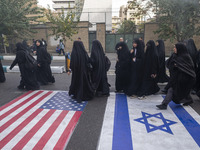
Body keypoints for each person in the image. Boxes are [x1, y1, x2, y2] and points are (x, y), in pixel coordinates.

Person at [156, 43, 196, 109]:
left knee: (172, 90)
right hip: (177, 78)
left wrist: (177, 66)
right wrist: (174, 65)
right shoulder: (175, 55)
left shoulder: (186, 57)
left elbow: (188, 69)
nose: (174, 49)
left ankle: (164, 104)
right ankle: (189, 100)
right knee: (180, 90)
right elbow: (169, 63)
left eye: (175, 47)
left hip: (185, 79)